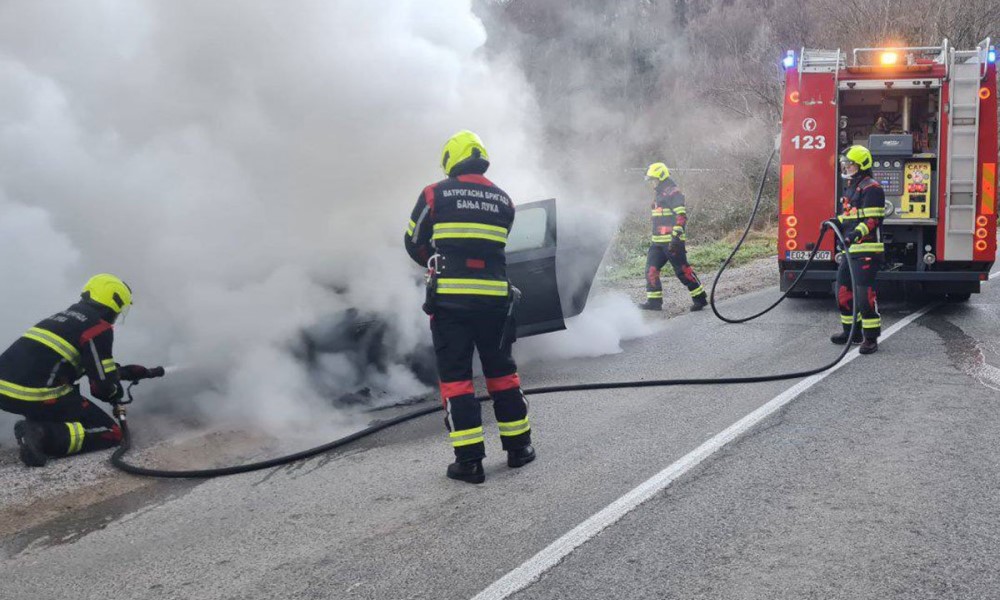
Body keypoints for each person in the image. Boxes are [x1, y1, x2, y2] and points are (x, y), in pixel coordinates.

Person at [404, 130, 534, 484]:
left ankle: (470, 462)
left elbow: (413, 241)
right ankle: (520, 448)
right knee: (502, 374)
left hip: (451, 304)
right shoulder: (504, 200)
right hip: (495, 302)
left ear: (451, 159)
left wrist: (434, 260)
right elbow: (494, 244)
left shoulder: (434, 193)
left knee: (458, 381)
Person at [0, 274, 161, 467]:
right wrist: (114, 390)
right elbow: (102, 388)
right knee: (111, 432)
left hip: (6, 392)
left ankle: (39, 425)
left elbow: (84, 364)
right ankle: (41, 435)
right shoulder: (97, 327)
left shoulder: (61, 318)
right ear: (114, 302)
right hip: (34, 395)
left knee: (56, 399)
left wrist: (126, 373)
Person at [831, 145, 885, 354]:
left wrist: (854, 234)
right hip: (850, 250)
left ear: (862, 165)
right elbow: (850, 215)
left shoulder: (873, 188)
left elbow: (873, 220)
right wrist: (835, 221)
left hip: (867, 250)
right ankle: (851, 332)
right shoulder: (851, 186)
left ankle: (870, 338)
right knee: (843, 292)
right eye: (845, 164)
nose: (846, 167)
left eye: (850, 164)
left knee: (864, 296)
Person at [638, 162, 708, 312]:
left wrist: (676, 237)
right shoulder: (659, 193)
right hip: (657, 243)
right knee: (651, 270)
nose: (651, 182)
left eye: (653, 179)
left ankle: (700, 298)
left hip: (672, 242)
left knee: (682, 271)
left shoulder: (673, 193)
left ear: (661, 177)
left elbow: (681, 215)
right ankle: (654, 302)